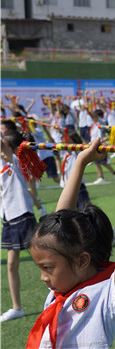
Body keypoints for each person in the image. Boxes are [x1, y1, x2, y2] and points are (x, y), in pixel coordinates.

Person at [25, 137, 115, 347]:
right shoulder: (61, 288)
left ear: (82, 261)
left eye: (48, 268)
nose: (43, 278)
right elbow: (59, 220)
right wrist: (80, 162)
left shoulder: (107, 295)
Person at [0, 131, 38, 322]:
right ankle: (17, 307)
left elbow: (2, 146)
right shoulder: (4, 163)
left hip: (22, 217)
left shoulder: (16, 160)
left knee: (43, 260)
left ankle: (65, 292)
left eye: (4, 147)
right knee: (11, 264)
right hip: (9, 218)